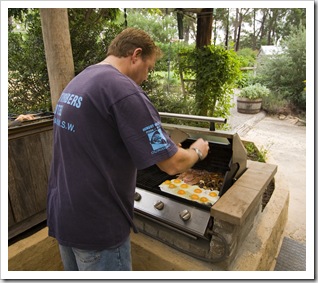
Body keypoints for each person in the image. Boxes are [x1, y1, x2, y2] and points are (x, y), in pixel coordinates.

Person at [47, 27, 209, 271]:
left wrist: (159, 145)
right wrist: (197, 150)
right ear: (136, 54)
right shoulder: (122, 90)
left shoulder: (80, 81)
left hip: (66, 216)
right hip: (98, 226)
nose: (146, 76)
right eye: (149, 68)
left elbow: (97, 138)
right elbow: (173, 164)